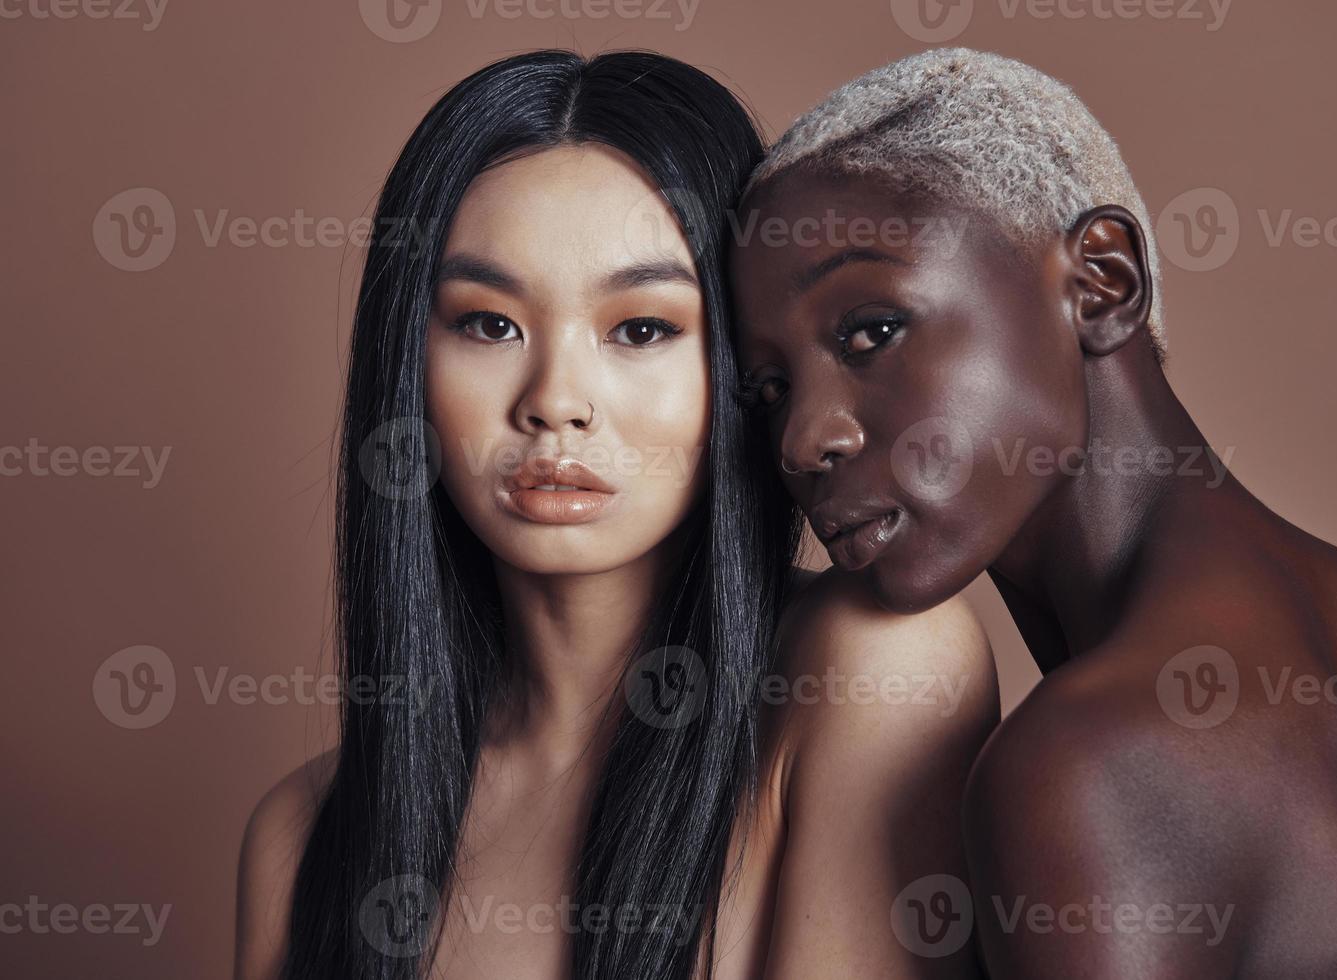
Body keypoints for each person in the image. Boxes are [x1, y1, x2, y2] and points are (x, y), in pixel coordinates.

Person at [234, 49, 996, 980]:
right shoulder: (303, 840)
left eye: (641, 328)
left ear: (741, 363)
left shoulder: (873, 672)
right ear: (408, 366)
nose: (556, 400)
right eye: (487, 323)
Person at [731, 47, 1337, 979]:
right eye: (765, 390)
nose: (804, 438)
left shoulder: (1085, 767)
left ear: (1100, 281)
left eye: (870, 331)